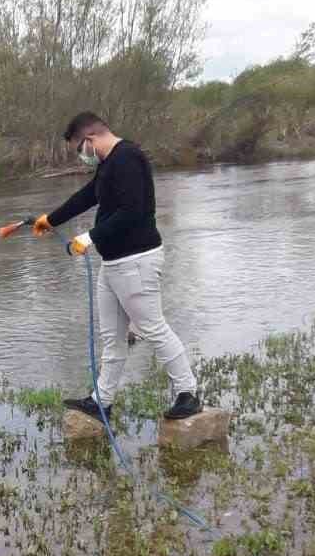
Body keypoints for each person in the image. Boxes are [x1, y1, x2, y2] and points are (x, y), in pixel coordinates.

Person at [33, 111, 201, 422]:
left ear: (90, 139)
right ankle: (102, 401)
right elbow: (88, 196)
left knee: (152, 327)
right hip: (113, 265)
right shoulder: (109, 163)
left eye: (78, 150)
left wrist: (88, 237)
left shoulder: (128, 158)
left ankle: (188, 393)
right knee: (112, 337)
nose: (80, 156)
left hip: (137, 261)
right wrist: (51, 219)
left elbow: (132, 212)